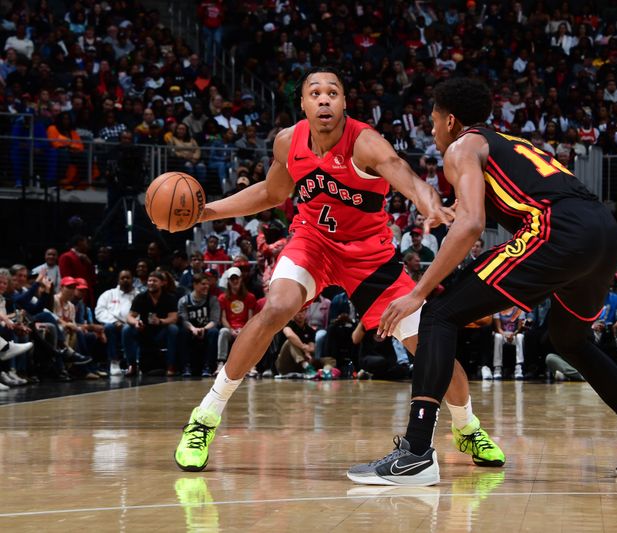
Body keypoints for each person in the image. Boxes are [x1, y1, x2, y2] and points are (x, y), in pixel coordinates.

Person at [348, 77, 617, 486]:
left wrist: (417, 293)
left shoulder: (461, 146)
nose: (431, 130)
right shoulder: (508, 143)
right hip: (604, 234)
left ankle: (416, 452)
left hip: (557, 232)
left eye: (433, 121)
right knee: (570, 339)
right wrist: (446, 210)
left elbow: (473, 223)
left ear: (451, 121)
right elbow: (481, 206)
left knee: (437, 313)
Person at [174, 68, 504, 472]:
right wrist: (207, 211)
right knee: (275, 308)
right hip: (312, 243)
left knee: (431, 345)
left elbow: (403, 172)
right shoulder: (287, 142)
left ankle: (466, 426)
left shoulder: (364, 142)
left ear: (345, 103)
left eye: (333, 92)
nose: (324, 99)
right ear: (303, 104)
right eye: (315, 93)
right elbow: (271, 193)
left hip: (369, 257)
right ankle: (204, 418)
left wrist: (428, 202)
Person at [122, 271, 179, 376]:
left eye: (155, 281)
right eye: (149, 280)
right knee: (126, 329)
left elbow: (173, 318)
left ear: (162, 283)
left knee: (173, 329)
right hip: (144, 330)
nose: (151, 283)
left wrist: (161, 321)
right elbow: (129, 316)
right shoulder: (141, 297)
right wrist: (136, 323)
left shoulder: (169, 298)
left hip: (161, 331)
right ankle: (132, 365)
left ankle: (171, 366)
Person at [178, 273, 220, 377]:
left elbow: (215, 320)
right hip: (190, 329)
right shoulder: (184, 301)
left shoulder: (213, 299)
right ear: (195, 285)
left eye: (208, 284)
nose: (207, 286)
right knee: (182, 332)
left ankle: (208, 367)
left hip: (207, 328)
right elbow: (184, 320)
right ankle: (186, 366)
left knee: (214, 332)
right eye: (203, 284)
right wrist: (193, 329)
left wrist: (203, 329)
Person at [95, 270, 136, 376]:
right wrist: (114, 321)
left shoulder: (138, 295)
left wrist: (132, 323)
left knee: (129, 330)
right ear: (118, 280)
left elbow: (141, 312)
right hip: (113, 324)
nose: (125, 280)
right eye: (122, 278)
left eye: (128, 278)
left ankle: (132, 363)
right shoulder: (108, 294)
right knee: (108, 327)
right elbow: (99, 312)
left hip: (131, 325)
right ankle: (114, 362)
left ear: (132, 280)